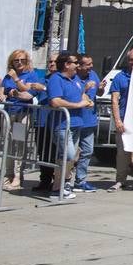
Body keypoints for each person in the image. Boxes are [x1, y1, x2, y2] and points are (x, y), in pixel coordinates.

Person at [44, 52, 88, 200]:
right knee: (67, 155)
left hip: (76, 123)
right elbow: (55, 101)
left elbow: (83, 93)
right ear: (67, 64)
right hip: (62, 124)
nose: (77, 65)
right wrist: (77, 105)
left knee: (71, 156)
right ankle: (58, 187)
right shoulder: (56, 79)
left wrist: (86, 100)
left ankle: (61, 185)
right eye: (75, 62)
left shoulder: (75, 78)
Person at [0, 50, 44, 191]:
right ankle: (8, 174)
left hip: (22, 114)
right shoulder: (8, 76)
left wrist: (16, 85)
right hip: (9, 113)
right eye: (16, 60)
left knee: (19, 144)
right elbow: (1, 92)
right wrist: (5, 93)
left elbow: (27, 94)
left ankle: (18, 176)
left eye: (22, 60)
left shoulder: (31, 75)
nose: (19, 63)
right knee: (7, 144)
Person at [106, 48, 133, 191]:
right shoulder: (119, 77)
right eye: (131, 60)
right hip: (124, 120)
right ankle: (120, 180)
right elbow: (114, 100)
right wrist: (117, 120)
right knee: (122, 153)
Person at [72, 54, 101, 192]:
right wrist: (85, 89)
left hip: (89, 121)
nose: (91, 66)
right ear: (79, 65)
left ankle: (80, 180)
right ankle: (65, 181)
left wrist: (100, 88)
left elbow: (99, 93)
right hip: (75, 121)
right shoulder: (73, 77)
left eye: (91, 63)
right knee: (71, 154)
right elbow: (71, 96)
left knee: (88, 151)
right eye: (87, 64)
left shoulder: (93, 74)